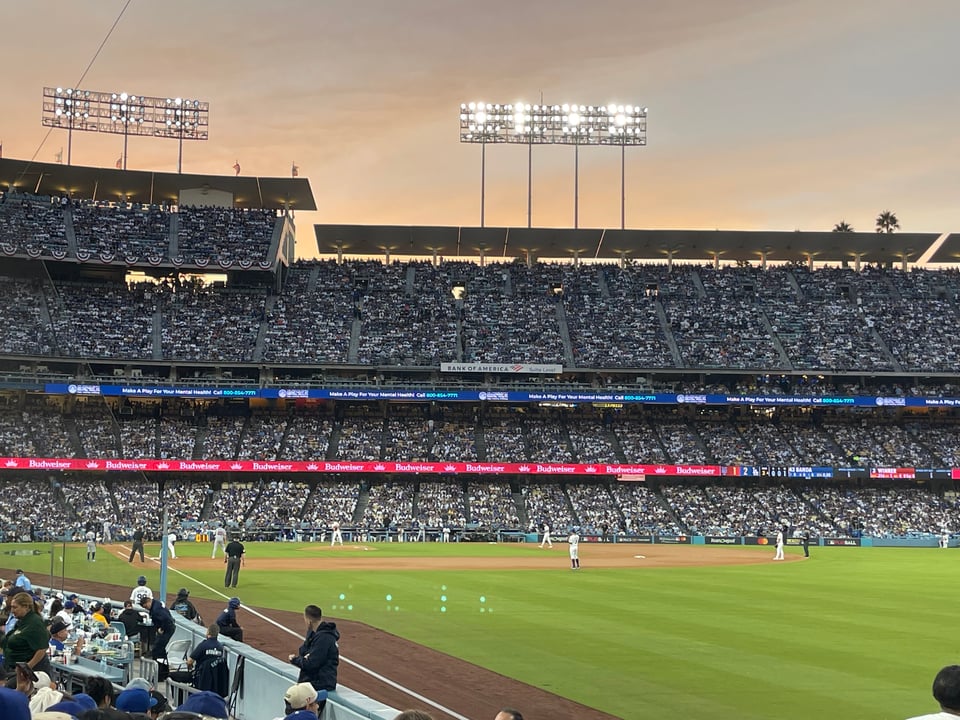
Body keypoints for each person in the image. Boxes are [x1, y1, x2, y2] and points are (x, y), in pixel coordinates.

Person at [289, 604, 339, 692]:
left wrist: (295, 660)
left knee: (293, 699)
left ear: (308, 621)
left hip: (320, 685)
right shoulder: (313, 633)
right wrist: (305, 657)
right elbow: (302, 651)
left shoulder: (324, 638)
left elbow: (311, 663)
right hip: (311, 683)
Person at [2, 592, 50, 677]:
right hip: (13, 667)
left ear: (26, 607)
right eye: (12, 607)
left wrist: (27, 668)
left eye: (15, 607)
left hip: (29, 671)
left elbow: (42, 648)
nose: (12, 610)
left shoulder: (35, 623)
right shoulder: (22, 621)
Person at [139, 595, 176, 679]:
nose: (146, 608)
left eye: (145, 606)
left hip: (167, 629)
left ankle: (160, 674)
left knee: (157, 650)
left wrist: (161, 628)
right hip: (169, 628)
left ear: (148, 602)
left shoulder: (156, 609)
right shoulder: (156, 604)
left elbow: (166, 619)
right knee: (160, 650)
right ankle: (164, 673)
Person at [187, 624, 229, 697]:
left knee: (175, 676)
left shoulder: (203, 645)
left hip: (200, 678)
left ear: (208, 632)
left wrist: (190, 667)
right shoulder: (220, 647)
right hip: (215, 681)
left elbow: (190, 661)